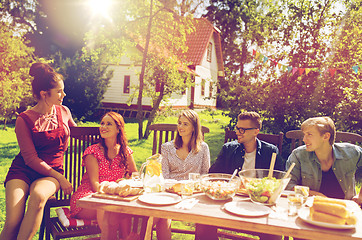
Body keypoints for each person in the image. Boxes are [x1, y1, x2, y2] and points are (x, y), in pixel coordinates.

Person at [0, 63, 76, 240]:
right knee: (13, 221)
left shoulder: (64, 112)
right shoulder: (24, 119)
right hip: (23, 170)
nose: (63, 95)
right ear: (44, 94)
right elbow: (31, 159)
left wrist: (114, 136)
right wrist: (62, 179)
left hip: (51, 174)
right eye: (59, 91)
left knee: (38, 196)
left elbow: (83, 135)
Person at [196, 111, 284, 240]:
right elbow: (212, 175)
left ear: (256, 131)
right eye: (237, 128)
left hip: (260, 204)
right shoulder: (229, 149)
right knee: (203, 222)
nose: (237, 132)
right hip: (230, 201)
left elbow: (279, 183)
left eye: (242, 130)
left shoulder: (270, 152)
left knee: (273, 232)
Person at [68, 111, 138, 239]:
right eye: (102, 123)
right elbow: (95, 186)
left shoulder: (125, 151)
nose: (103, 127)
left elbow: (135, 175)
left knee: (120, 208)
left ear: (118, 129)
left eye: (109, 124)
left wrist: (126, 182)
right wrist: (116, 188)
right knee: (108, 208)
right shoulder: (92, 152)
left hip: (114, 198)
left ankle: (125, 237)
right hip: (88, 198)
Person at [156, 109, 211, 240]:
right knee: (162, 217)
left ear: (194, 127)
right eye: (179, 123)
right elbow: (164, 175)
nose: (180, 127)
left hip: (195, 194)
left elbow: (205, 175)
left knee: (206, 219)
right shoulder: (167, 148)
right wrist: (175, 188)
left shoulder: (203, 148)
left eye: (185, 124)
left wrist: (193, 188)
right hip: (170, 193)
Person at [286, 116, 362, 203]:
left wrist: (360, 196)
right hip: (311, 209)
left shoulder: (351, 152)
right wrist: (317, 195)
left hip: (346, 208)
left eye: (309, 134)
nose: (304, 139)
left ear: (326, 136)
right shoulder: (298, 155)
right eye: (304, 134)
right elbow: (288, 185)